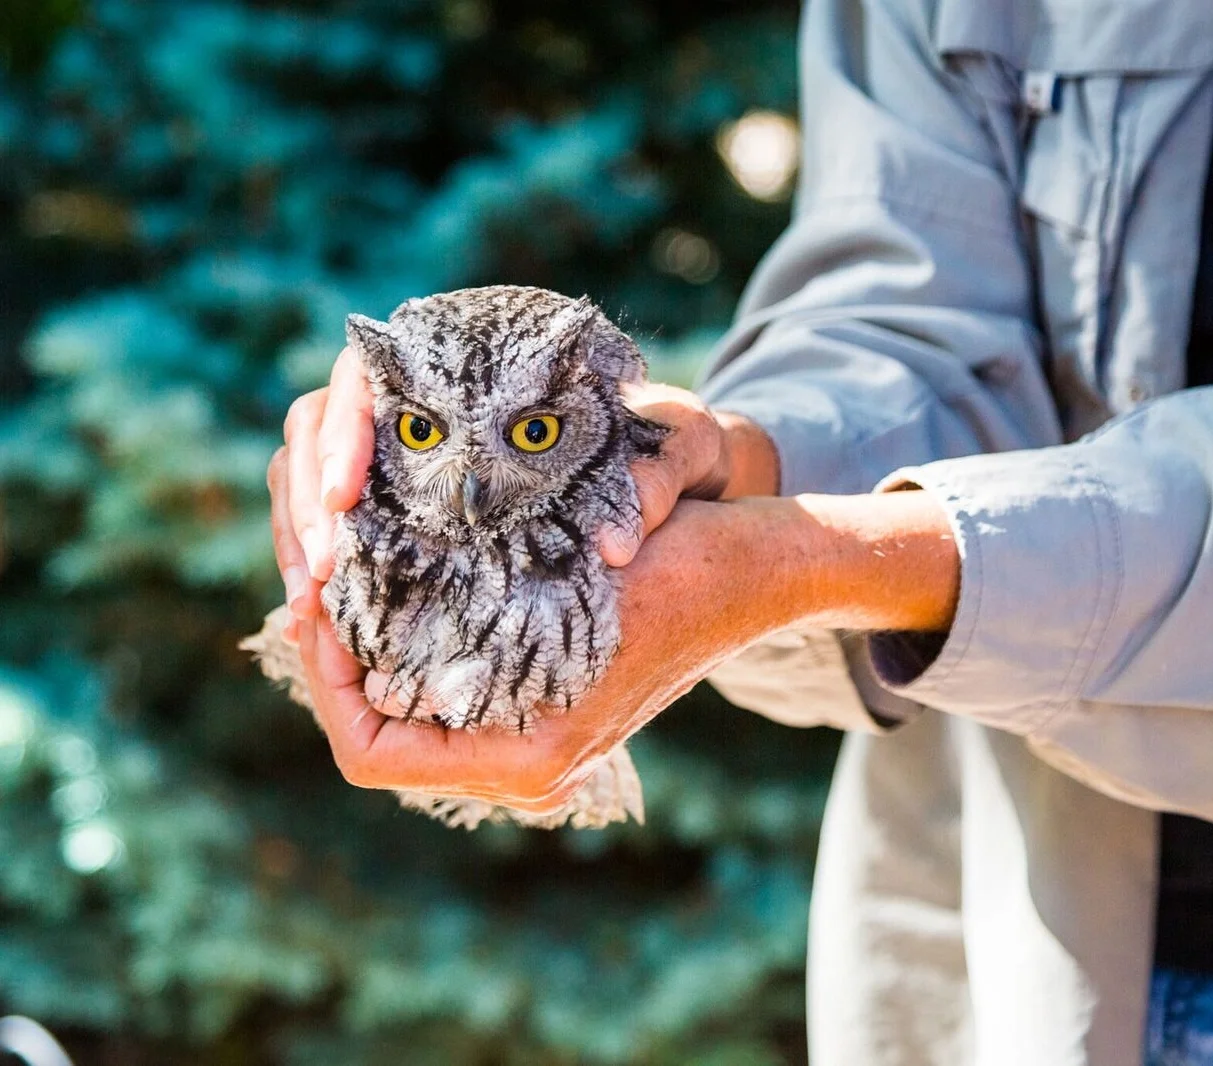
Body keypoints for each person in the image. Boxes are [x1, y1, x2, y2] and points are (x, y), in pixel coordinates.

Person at [267, 0, 1213, 1062]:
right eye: (421, 431)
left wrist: (812, 560)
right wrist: (741, 458)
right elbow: (913, 303)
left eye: (537, 431)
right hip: (1062, 921)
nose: (475, 480)